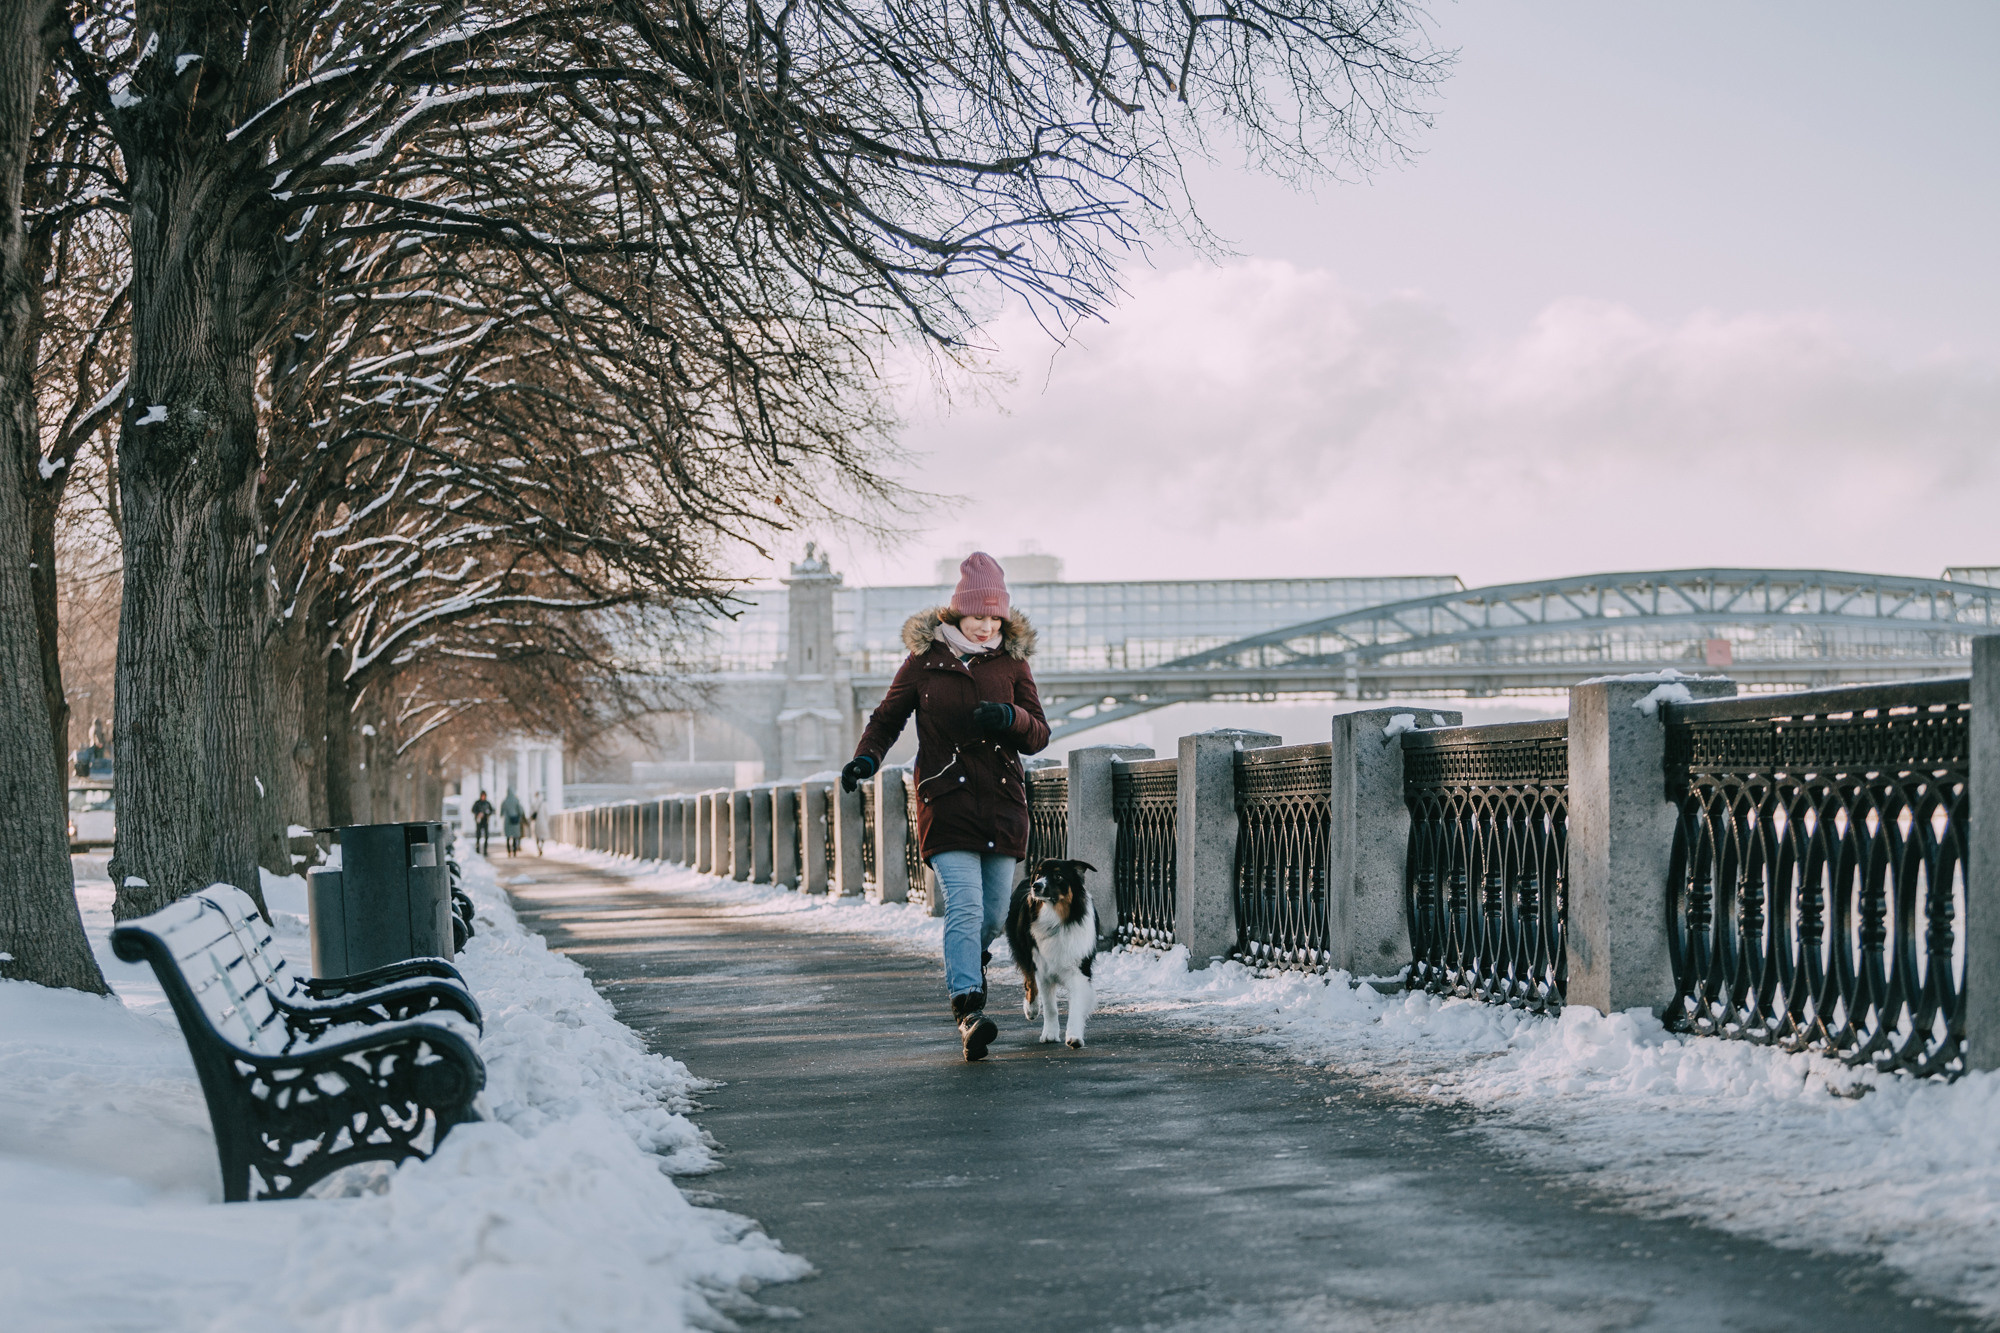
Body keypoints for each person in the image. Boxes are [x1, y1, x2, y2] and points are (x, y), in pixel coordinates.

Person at [844, 552, 1050, 1061]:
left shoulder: (1012, 663)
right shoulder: (924, 661)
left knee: (994, 915)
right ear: (957, 612)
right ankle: (968, 1009)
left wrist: (1011, 717)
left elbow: (1039, 735)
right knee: (965, 904)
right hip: (947, 800)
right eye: (977, 616)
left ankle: (969, 965)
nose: (986, 627)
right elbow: (886, 719)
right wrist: (866, 759)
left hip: (1002, 804)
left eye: (994, 618)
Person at [501, 787, 525, 857]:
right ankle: (514, 851)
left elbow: (501, 812)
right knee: (515, 837)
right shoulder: (516, 800)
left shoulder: (505, 801)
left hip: (507, 822)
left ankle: (509, 851)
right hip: (515, 821)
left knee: (508, 837)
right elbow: (520, 810)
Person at [472, 790, 495, 855]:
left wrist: (487, 813)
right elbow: (473, 810)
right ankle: (477, 849)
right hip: (479, 821)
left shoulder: (487, 803)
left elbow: (492, 810)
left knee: (486, 836)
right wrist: (478, 814)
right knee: (478, 835)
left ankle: (485, 850)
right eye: (482, 796)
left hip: (485, 821)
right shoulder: (477, 803)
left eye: (484, 796)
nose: (483, 797)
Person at [529, 791, 545, 856]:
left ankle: (539, 848)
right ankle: (541, 847)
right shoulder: (543, 803)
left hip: (536, 823)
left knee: (537, 837)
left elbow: (531, 813)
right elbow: (547, 814)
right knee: (543, 836)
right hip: (543, 822)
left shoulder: (533, 803)